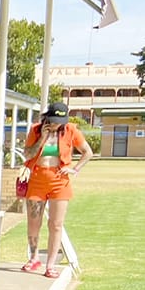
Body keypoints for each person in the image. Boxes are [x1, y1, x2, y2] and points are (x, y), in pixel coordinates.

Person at [20, 101, 93, 278]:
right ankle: (34, 258)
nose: (56, 125)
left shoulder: (70, 130)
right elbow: (28, 154)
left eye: (59, 121)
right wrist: (42, 139)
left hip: (59, 181)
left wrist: (75, 169)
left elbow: (87, 152)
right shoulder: (36, 130)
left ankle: (50, 264)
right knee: (33, 222)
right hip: (37, 178)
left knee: (56, 224)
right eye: (52, 120)